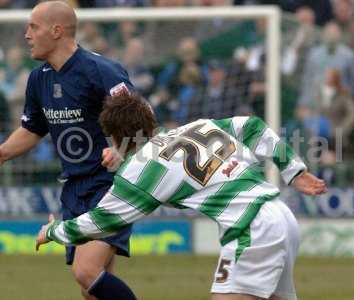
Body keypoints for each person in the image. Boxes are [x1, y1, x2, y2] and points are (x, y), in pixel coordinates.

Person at [36, 91, 328, 300]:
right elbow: (252, 126)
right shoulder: (195, 127)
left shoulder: (139, 170)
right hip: (280, 215)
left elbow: (100, 221)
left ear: (114, 138)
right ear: (149, 118)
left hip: (251, 228)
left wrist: (53, 231)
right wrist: (294, 171)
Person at [0, 2, 137, 300]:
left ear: (57, 31)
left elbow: (141, 120)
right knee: (92, 290)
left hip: (112, 184)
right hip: (75, 187)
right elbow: (33, 129)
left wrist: (119, 148)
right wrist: (2, 153)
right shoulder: (39, 79)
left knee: (85, 271)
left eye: (33, 27)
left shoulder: (102, 71)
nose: (26, 35)